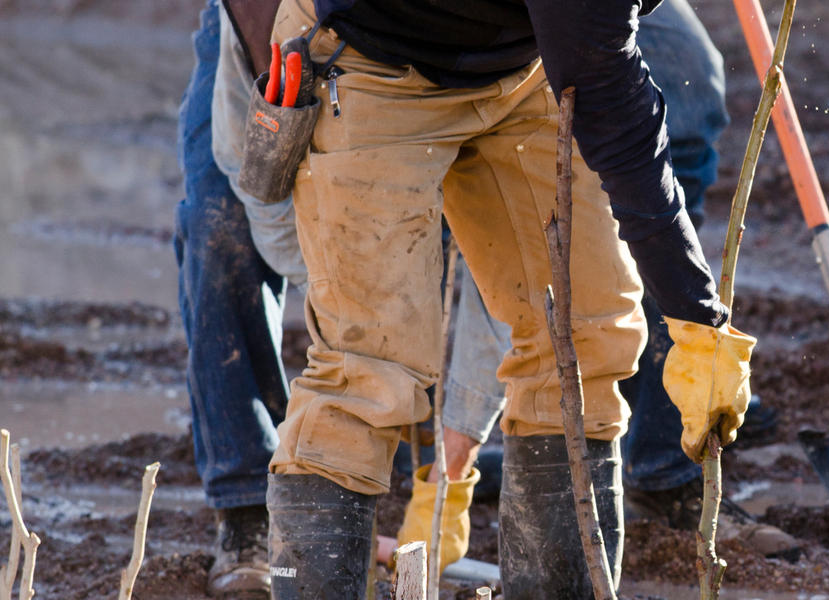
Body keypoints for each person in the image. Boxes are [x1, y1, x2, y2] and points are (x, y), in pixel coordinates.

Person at [175, 0, 782, 596]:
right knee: (366, 372)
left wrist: (452, 467)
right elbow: (615, 111)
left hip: (523, 66)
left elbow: (601, 81)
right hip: (366, 57)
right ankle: (248, 513)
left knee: (581, 339)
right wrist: (694, 311)